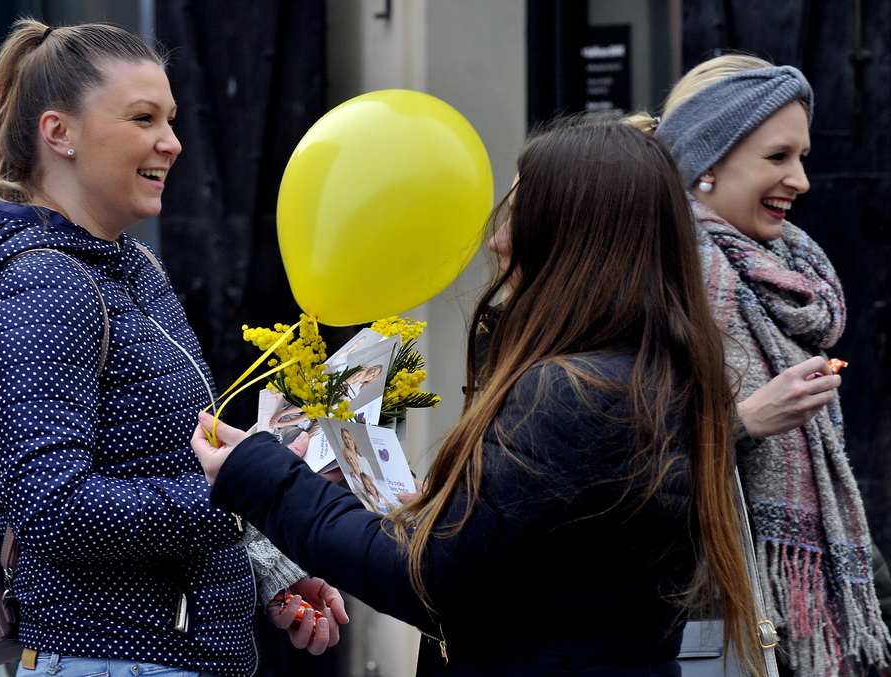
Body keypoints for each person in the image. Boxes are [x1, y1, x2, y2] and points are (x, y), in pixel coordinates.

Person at [192, 116, 769, 676]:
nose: (497, 242)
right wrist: (439, 510)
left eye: (521, 217)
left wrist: (265, 476)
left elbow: (431, 583)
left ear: (572, 239)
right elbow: (531, 563)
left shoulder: (574, 393)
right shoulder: (658, 372)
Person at [0, 19, 346, 677]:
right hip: (109, 660)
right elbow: (55, 510)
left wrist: (269, 570)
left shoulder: (133, 266)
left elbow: (166, 462)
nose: (171, 142)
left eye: (170, 119)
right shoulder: (37, 285)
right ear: (58, 133)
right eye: (143, 118)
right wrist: (250, 490)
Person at [646, 55, 891, 676]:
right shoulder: (654, 284)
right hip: (697, 624)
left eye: (801, 157)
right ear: (707, 162)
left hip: (790, 624)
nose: (801, 179)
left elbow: (825, 471)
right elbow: (614, 465)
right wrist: (747, 421)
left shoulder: (788, 279)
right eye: (778, 158)